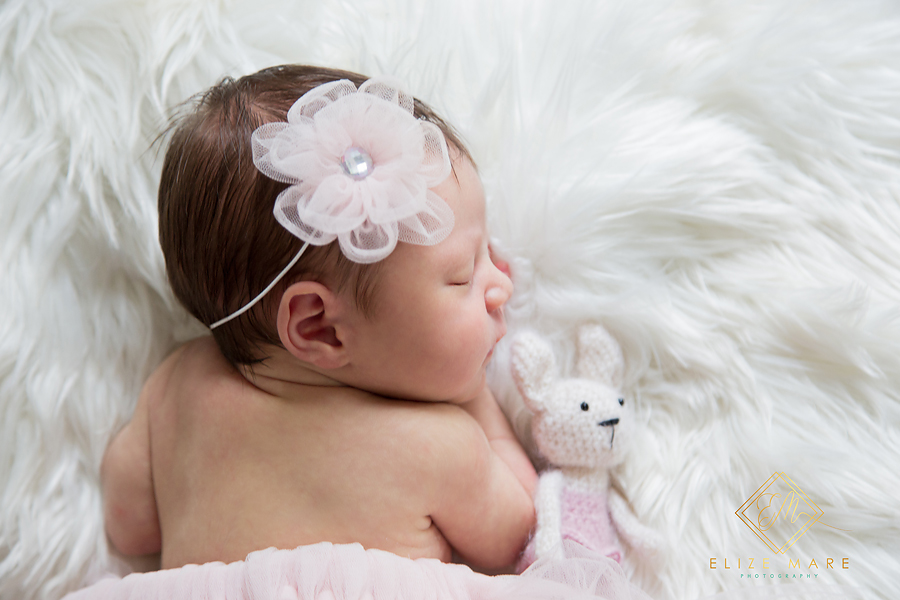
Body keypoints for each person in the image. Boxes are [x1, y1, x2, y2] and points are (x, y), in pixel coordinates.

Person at [100, 64, 538, 572]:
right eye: (463, 276)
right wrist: (477, 403)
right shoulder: (443, 447)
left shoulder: (174, 389)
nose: (502, 285)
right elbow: (522, 540)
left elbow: (128, 527)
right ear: (318, 327)